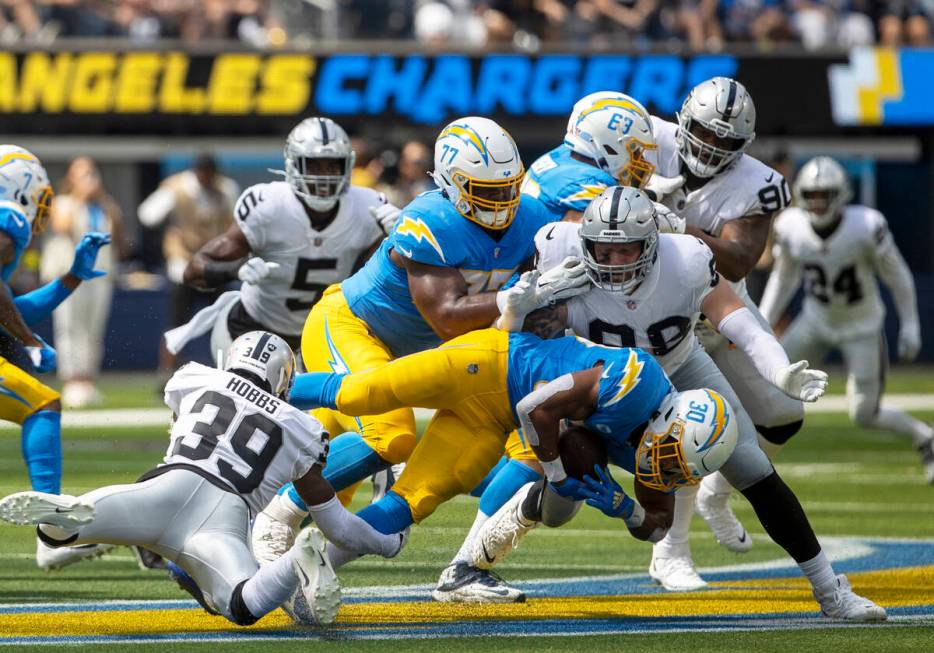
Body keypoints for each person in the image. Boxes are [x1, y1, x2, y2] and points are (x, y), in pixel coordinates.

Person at [451, 186, 886, 621]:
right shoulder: (554, 248)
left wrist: (778, 371)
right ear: (584, 242)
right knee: (562, 505)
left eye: (627, 251)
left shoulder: (686, 261)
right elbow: (514, 344)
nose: (613, 261)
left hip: (677, 367)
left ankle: (831, 591)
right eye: (603, 249)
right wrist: (513, 312)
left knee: (751, 465)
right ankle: (517, 518)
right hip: (599, 383)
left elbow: (742, 325)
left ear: (652, 245)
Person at [250, 117, 584, 571]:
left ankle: (322, 566)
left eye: (509, 188)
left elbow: (539, 301)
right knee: (392, 436)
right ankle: (278, 507)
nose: (502, 201)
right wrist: (518, 296)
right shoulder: (431, 219)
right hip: (352, 327)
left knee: (440, 473)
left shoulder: (533, 219)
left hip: (415, 353)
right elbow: (447, 317)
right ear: (451, 183)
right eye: (486, 190)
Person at [0, 331, 404, 627]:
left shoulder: (194, 378)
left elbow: (184, 433)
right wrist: (386, 543)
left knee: (56, 535)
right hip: (223, 519)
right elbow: (338, 526)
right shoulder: (303, 428)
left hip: (164, 490)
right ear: (284, 376)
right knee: (243, 605)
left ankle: (68, 516)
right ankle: (293, 561)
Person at [643, 76, 807, 590]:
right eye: (705, 134)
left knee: (783, 413)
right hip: (643, 308)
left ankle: (717, 490)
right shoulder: (644, 138)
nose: (711, 147)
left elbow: (739, 259)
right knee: (694, 419)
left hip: (714, 303)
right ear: (682, 121)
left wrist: (675, 223)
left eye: (726, 142)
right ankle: (671, 550)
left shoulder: (757, 182)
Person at [760, 156, 934, 483]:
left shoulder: (866, 226)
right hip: (815, 320)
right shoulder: (790, 226)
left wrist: (911, 324)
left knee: (864, 413)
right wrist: (763, 322)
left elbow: (897, 276)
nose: (817, 202)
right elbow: (784, 279)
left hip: (861, 326)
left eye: (824, 194)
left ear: (841, 193)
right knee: (766, 377)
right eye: (811, 194)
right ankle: (749, 458)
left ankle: (925, 436)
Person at [168, 117, 396, 360]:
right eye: (314, 166)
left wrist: (400, 239)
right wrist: (237, 269)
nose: (324, 177)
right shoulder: (269, 206)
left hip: (323, 335)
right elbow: (193, 271)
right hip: (252, 330)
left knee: (351, 394)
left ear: (347, 167)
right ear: (293, 165)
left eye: (333, 166)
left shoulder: (369, 208)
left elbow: (380, 282)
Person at [0, 145, 112, 570]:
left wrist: (72, 277)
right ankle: (52, 533)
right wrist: (28, 340)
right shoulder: (7, 218)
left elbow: (9, 305)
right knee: (42, 405)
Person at [138, 152, 239, 377]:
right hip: (184, 265)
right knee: (177, 322)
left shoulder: (225, 189)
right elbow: (147, 215)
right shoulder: (177, 188)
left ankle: (234, 370)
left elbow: (235, 222)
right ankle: (166, 373)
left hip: (214, 265)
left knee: (227, 319)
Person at [41, 156, 128, 408]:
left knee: (93, 329)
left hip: (99, 275)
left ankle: (88, 380)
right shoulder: (63, 202)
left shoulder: (104, 206)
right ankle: (71, 381)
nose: (90, 179)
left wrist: (101, 200)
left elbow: (119, 238)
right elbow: (62, 226)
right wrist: (79, 197)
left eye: (92, 173)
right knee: (70, 326)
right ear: (71, 178)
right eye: (83, 174)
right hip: (69, 275)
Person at [521, 91, 659, 223]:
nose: (640, 159)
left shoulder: (563, 154)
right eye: (635, 151)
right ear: (609, 146)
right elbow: (624, 228)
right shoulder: (587, 183)